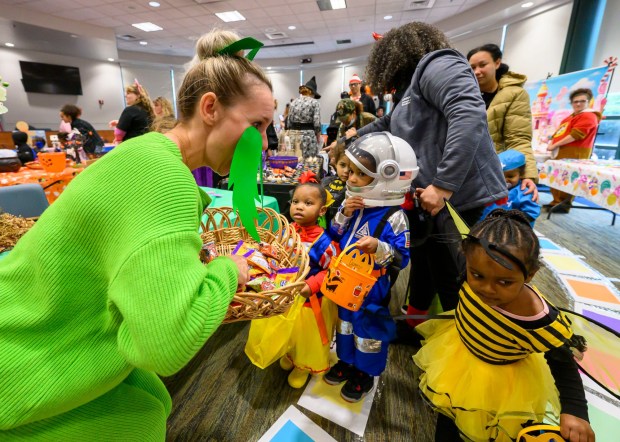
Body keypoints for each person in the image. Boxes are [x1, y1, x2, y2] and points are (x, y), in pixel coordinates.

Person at [0, 29, 276, 439]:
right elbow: (166, 345)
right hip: (26, 370)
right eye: (258, 125)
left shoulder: (143, 152)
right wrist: (226, 271)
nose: (265, 144)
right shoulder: (165, 179)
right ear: (210, 107)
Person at [352, 22, 507, 326]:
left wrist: (443, 184)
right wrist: (351, 139)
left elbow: (468, 113)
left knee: (462, 281)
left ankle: (468, 348)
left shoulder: (438, 63)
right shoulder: (410, 88)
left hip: (465, 198)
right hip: (433, 199)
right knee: (428, 265)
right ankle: (421, 326)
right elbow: (390, 125)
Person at [413, 209, 594, 442]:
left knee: (497, 433)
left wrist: (576, 411)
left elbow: (563, 364)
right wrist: (439, 208)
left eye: (504, 282)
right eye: (477, 276)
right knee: (450, 414)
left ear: (530, 275)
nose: (487, 289)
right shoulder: (469, 268)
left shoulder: (538, 317)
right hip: (459, 360)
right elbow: (452, 233)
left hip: (504, 386)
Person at [324, 132, 413, 402]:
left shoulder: (395, 216)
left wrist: (379, 247)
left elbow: (402, 258)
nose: (349, 178)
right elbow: (335, 234)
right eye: (349, 171)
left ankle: (365, 373)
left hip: (372, 289)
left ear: (387, 178)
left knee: (368, 333)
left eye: (359, 175)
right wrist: (344, 213)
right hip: (345, 282)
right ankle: (347, 362)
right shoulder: (355, 205)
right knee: (345, 326)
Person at [278, 182, 339, 388]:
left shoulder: (324, 242)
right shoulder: (288, 231)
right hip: (290, 295)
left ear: (322, 210)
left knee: (308, 336)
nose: (299, 207)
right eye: (295, 201)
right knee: (291, 330)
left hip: (310, 301)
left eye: (308, 203)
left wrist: (312, 284)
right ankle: (291, 355)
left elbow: (332, 270)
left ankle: (303, 365)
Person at [467, 43, 539, 202]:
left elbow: (519, 137)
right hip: (467, 172)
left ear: (497, 63)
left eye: (482, 65)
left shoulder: (515, 94)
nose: (477, 71)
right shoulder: (466, 94)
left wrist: (528, 176)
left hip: (497, 172)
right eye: (472, 67)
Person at [546, 88, 602, 213]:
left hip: (575, 152)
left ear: (588, 102)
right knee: (557, 177)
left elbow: (576, 135)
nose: (578, 104)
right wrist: (552, 142)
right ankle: (556, 201)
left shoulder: (589, 116)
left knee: (568, 177)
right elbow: (560, 132)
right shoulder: (571, 117)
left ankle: (564, 204)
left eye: (582, 101)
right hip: (562, 151)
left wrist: (555, 145)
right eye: (575, 101)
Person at [481, 149, 540, 226]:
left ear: (521, 174)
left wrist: (509, 222)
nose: (504, 180)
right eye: (500, 175)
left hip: (511, 232)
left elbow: (531, 214)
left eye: (510, 176)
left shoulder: (524, 192)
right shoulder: (491, 187)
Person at [285, 77, 321, 158]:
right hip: (308, 137)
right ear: (312, 93)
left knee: (294, 161)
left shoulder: (293, 102)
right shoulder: (315, 103)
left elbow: (288, 122)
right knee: (309, 163)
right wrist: (318, 136)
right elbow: (317, 123)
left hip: (294, 136)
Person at [321, 141, 349, 225]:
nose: (346, 171)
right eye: (342, 165)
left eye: (351, 168)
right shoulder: (325, 182)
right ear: (335, 163)